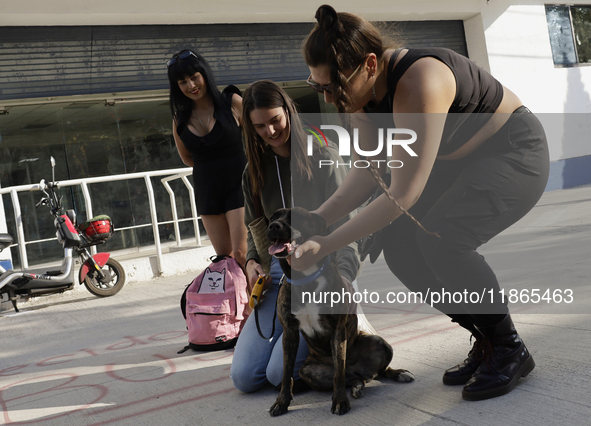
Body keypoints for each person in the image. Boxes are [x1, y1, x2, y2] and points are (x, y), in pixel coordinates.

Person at [294, 5, 550, 401]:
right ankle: (485, 338)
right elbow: (366, 173)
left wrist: (326, 245)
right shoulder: (360, 100)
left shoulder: (419, 81)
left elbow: (402, 193)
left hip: (512, 151)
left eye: (333, 87)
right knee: (398, 245)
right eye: (318, 88)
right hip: (457, 162)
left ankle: (509, 347)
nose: (329, 98)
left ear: (370, 65)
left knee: (443, 240)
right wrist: (316, 219)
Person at [230, 80, 361, 393]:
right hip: (279, 275)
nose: (271, 132)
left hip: (323, 271)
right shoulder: (254, 172)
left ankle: (350, 334)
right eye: (260, 126)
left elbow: (347, 232)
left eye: (275, 120)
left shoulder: (323, 157)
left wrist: (343, 279)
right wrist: (251, 263)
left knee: (278, 375)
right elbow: (256, 232)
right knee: (245, 378)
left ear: (289, 111)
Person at [167, 49, 247, 267]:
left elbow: (257, 140)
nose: (191, 85)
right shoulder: (179, 119)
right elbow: (186, 157)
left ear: (204, 74)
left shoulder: (233, 101)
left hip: (239, 184)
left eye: (194, 77)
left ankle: (259, 301)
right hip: (207, 191)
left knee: (242, 254)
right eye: (183, 82)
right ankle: (240, 302)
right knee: (225, 259)